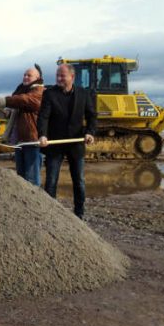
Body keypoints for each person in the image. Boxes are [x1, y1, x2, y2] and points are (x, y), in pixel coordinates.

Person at [37, 63, 96, 219]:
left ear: (72, 77)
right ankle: (51, 214)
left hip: (76, 144)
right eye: (57, 75)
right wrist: (42, 135)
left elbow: (92, 116)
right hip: (54, 144)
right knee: (51, 180)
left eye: (62, 75)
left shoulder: (84, 94)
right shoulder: (49, 94)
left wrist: (90, 132)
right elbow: (43, 117)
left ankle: (79, 214)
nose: (59, 78)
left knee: (79, 181)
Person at [0, 66, 45, 185]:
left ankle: (34, 202)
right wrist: (11, 112)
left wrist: (0, 100)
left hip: (32, 140)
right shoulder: (23, 90)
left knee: (32, 178)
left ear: (37, 78)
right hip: (20, 140)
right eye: (24, 74)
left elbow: (25, 100)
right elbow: (20, 105)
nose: (25, 77)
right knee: (21, 178)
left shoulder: (39, 91)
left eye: (29, 75)